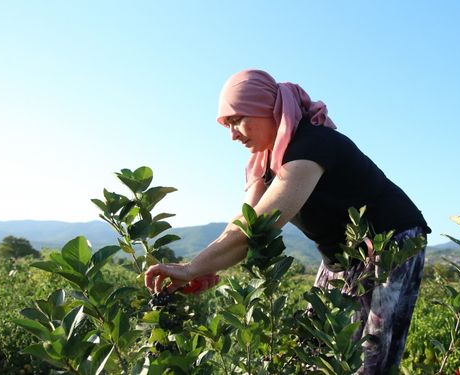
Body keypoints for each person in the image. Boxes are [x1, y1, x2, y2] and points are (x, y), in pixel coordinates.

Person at [145, 69, 431, 373]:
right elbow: (244, 222)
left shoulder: (312, 145)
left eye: (238, 119)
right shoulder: (264, 163)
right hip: (340, 256)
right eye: (228, 125)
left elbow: (260, 227)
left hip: (393, 243)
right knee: (314, 352)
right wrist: (201, 266)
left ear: (269, 109)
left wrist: (193, 268)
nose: (233, 134)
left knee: (373, 358)